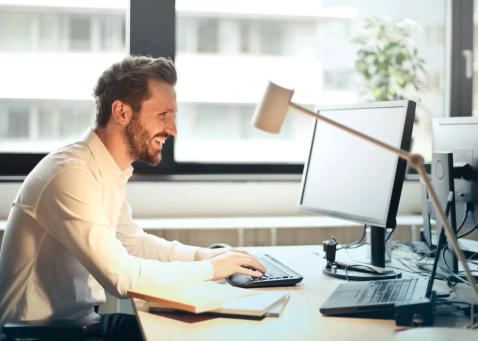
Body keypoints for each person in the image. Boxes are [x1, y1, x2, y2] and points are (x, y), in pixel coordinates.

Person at [0, 56, 265, 340]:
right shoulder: (70, 174)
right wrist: (211, 269)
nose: (173, 129)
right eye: (163, 115)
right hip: (38, 335)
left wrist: (202, 256)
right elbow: (122, 278)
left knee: (194, 328)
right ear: (121, 112)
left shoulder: (105, 169)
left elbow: (133, 243)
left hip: (79, 324)